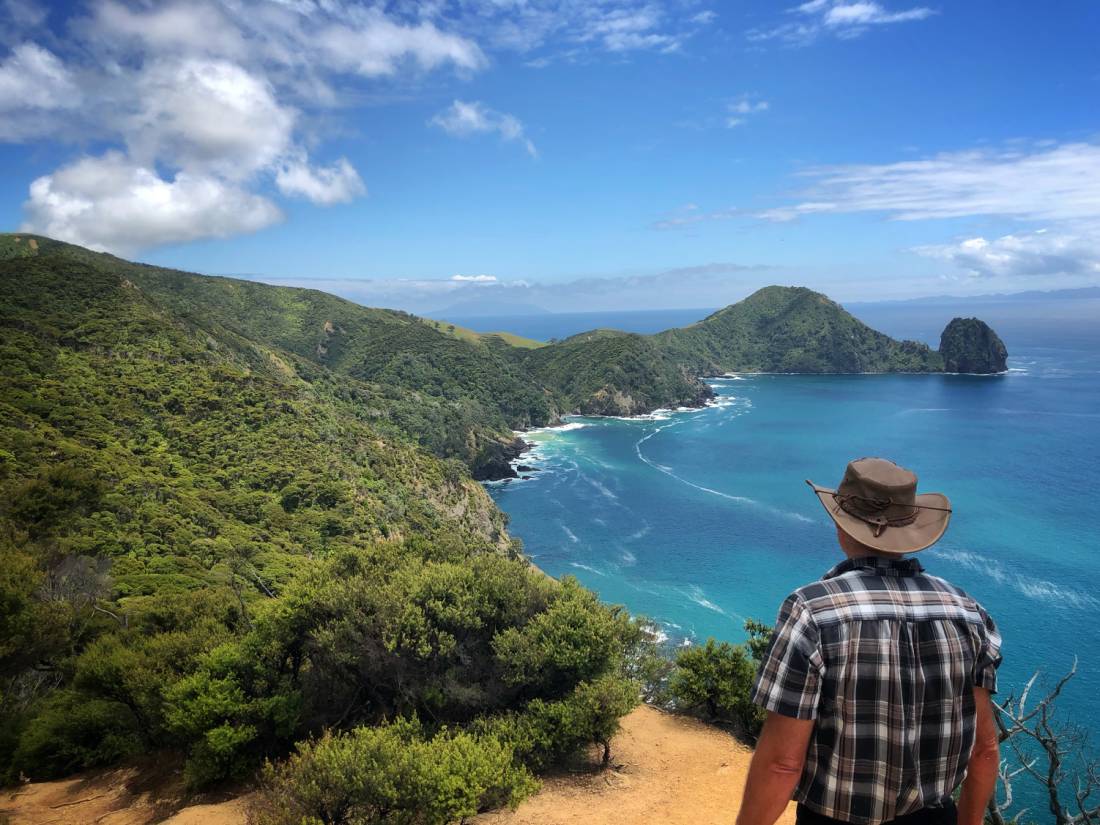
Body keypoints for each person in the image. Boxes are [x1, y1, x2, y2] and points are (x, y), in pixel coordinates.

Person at [736, 458, 1002, 825]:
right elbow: (984, 750)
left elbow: (782, 764)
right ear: (910, 527)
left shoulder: (813, 611)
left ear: (839, 523)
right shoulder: (967, 612)